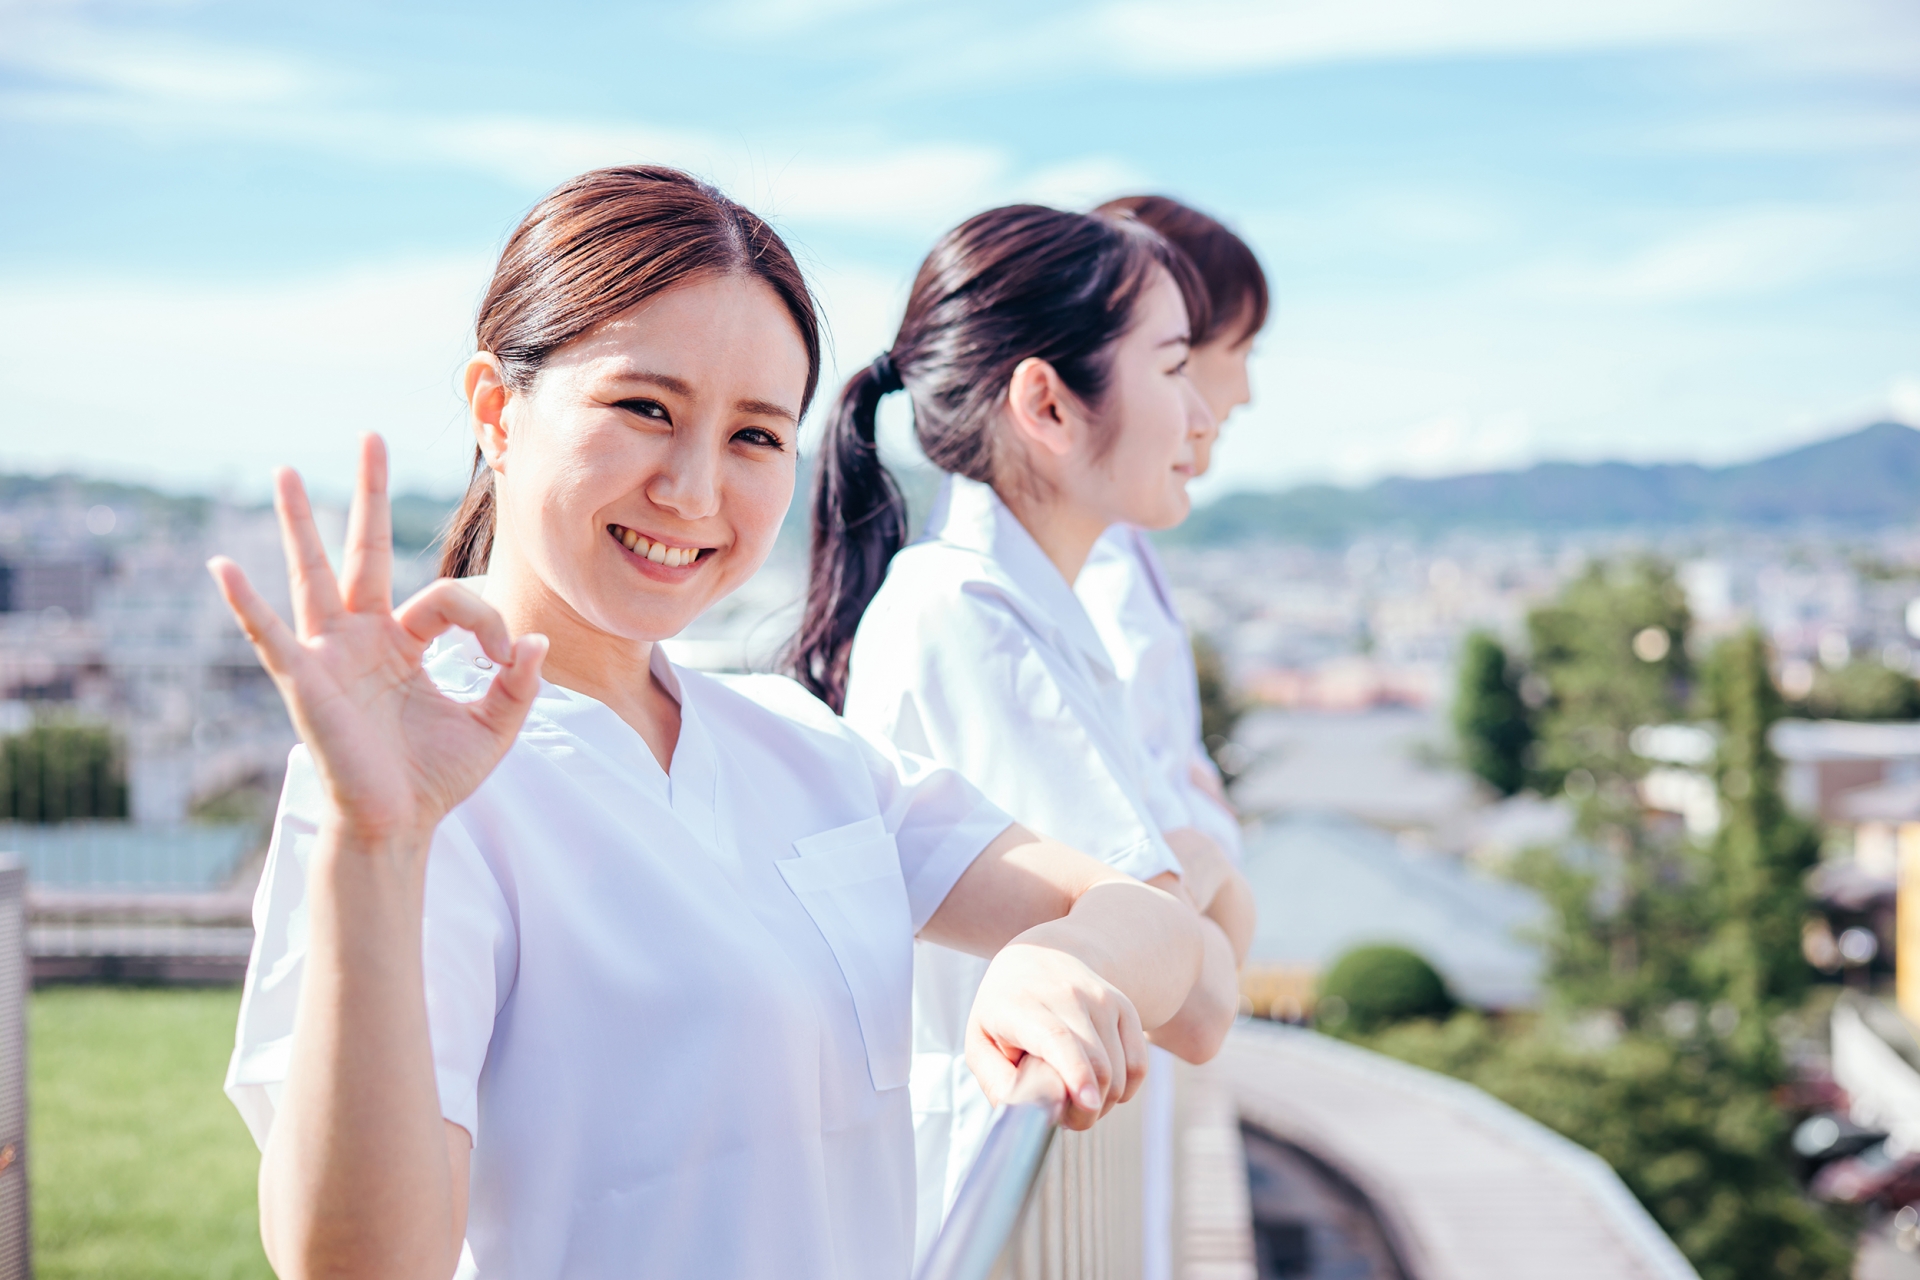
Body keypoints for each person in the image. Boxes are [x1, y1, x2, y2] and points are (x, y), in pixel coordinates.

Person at [216, 166, 1215, 1280]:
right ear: (499, 410)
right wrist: (373, 848)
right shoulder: (408, 780)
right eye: (645, 408)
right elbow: (360, 1262)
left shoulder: (797, 742)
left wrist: (1061, 960)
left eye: (754, 436)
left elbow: (1181, 949)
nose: (694, 490)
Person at [790, 204, 1256, 1262]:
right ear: (1046, 401)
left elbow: (1197, 953)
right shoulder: (972, 617)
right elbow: (1204, 997)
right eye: (1174, 364)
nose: (1205, 413)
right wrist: (1204, 847)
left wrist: (1187, 880)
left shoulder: (1007, 606)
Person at [1074, 195, 1270, 1277]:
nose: (1237, 389)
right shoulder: (1072, 585)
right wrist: (1201, 847)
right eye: (1223, 348)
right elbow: (1165, 870)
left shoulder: (1110, 565)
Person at [1077, 196, 1269, 868]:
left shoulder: (1108, 547)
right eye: (1239, 348)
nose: (1244, 391)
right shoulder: (1087, 567)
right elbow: (1142, 847)